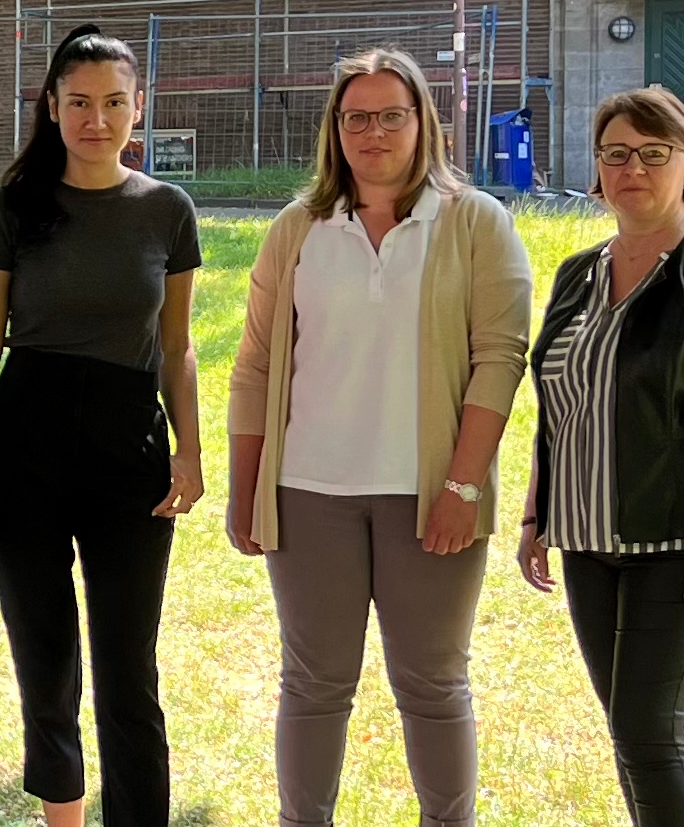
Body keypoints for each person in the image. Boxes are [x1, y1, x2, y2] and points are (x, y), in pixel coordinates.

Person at [225, 47, 532, 827]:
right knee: (313, 684)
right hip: (308, 494)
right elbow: (256, 364)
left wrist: (463, 485)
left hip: (428, 497)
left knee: (432, 684)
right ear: (335, 128)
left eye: (392, 115)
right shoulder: (298, 228)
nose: (374, 132)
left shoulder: (474, 222)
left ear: (423, 121)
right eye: (356, 117)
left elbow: (499, 359)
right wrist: (245, 489)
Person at [0, 25, 201, 827]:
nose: (98, 120)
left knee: (129, 670)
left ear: (139, 107)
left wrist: (190, 451)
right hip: (23, 444)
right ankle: (61, 818)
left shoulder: (167, 211)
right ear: (52, 108)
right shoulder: (15, 209)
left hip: (129, 449)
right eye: (80, 103)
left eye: (114, 103)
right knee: (46, 662)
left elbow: (177, 347)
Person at [515, 87, 684, 827]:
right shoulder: (577, 274)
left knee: (649, 732)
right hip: (587, 537)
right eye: (616, 153)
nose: (632, 168)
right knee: (629, 734)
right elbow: (559, 402)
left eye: (653, 153)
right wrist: (537, 514)